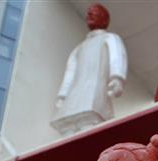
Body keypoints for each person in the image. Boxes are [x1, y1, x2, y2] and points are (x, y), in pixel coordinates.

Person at [51, 3, 127, 135]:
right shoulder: (79, 48)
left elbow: (117, 56)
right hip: (75, 93)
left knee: (90, 122)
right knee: (68, 125)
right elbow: (70, 73)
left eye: (95, 12)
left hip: (95, 89)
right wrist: (62, 95)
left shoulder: (109, 38)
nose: (90, 15)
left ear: (104, 19)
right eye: (89, 13)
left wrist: (117, 78)